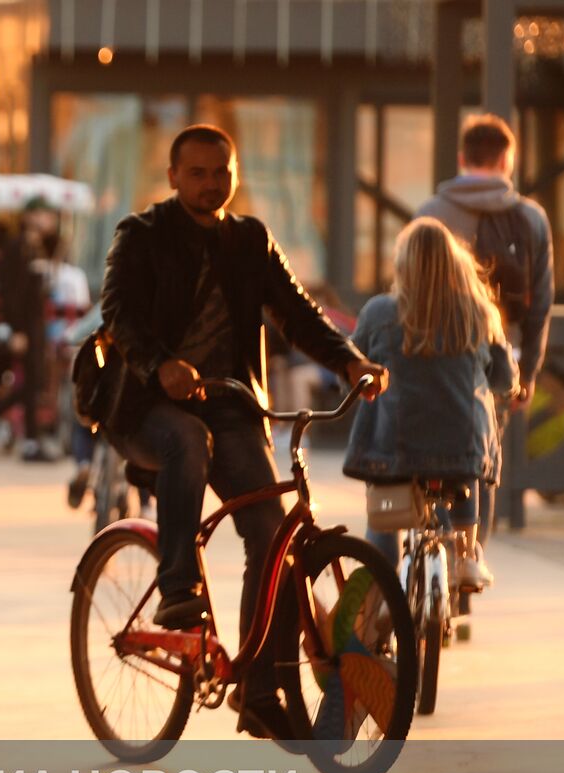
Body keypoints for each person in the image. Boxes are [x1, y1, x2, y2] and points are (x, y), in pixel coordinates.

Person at [98, 124, 385, 741]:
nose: (209, 183)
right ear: (173, 177)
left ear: (236, 175)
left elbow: (298, 313)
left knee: (274, 537)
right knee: (186, 444)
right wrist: (160, 365)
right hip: (149, 405)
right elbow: (117, 316)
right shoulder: (141, 236)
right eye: (196, 173)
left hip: (231, 404)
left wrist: (350, 361)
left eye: (220, 172)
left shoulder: (250, 239)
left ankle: (259, 690)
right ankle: (177, 585)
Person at [344, 218, 517, 588]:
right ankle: (465, 554)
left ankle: (379, 593)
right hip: (460, 450)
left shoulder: (379, 313)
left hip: (395, 449)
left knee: (384, 523)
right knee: (467, 455)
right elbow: (504, 378)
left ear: (402, 264)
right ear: (454, 262)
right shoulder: (478, 312)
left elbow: (350, 365)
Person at [416, 113, 554, 539]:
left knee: (430, 452)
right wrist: (527, 371)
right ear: (506, 162)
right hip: (499, 359)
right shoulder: (530, 219)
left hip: (433, 356)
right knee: (484, 457)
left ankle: (433, 548)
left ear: (462, 158)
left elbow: (409, 287)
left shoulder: (430, 213)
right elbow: (540, 303)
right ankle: (470, 557)